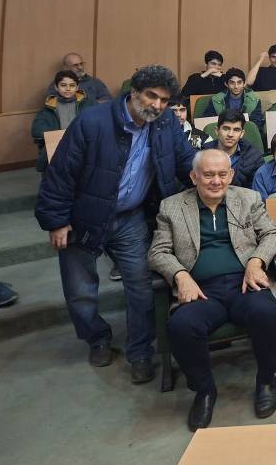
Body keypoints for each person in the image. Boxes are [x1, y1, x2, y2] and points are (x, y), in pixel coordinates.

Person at [35, 65, 194, 382]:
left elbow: (185, 161)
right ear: (134, 92)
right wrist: (56, 221)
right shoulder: (92, 121)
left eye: (164, 100)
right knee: (81, 291)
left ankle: (140, 352)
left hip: (130, 218)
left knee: (141, 288)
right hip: (83, 217)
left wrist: (215, 177)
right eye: (151, 96)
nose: (157, 105)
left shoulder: (165, 123)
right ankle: (97, 339)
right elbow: (61, 173)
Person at [147, 149, 276, 430]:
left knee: (267, 313)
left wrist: (256, 261)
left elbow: (272, 234)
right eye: (208, 175)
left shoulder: (248, 199)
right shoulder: (172, 207)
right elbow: (158, 252)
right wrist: (180, 275)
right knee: (182, 326)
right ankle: (204, 390)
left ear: (231, 175)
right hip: (200, 291)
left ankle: (266, 380)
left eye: (222, 174)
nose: (216, 181)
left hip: (244, 283)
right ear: (194, 176)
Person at [31, 70, 94, 171]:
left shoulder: (89, 104)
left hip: (83, 148)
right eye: (63, 85)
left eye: (72, 85)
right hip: (58, 150)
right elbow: (36, 130)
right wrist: (60, 135)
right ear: (56, 87)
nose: (68, 89)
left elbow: (100, 123)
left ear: (77, 87)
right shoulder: (49, 107)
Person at [203, 109, 264, 189]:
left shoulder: (254, 157)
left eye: (236, 130)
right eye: (226, 129)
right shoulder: (203, 154)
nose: (230, 134)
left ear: (242, 134)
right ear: (217, 131)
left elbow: (255, 191)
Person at [202, 68, 265, 137]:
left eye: (239, 82)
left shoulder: (254, 99)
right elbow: (208, 121)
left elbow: (256, 123)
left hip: (246, 133)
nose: (236, 86)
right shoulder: (216, 99)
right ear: (226, 84)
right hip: (223, 135)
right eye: (232, 83)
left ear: (244, 83)